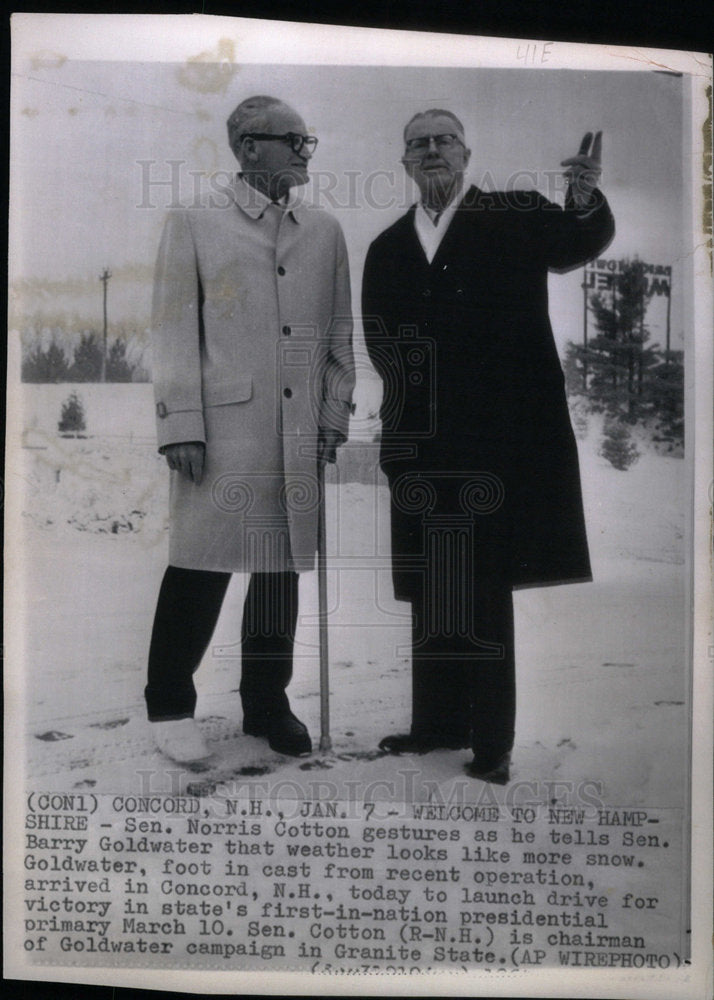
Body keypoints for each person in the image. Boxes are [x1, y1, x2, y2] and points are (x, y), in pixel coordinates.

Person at [362, 109, 614, 783]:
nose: (433, 149)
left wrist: (584, 202)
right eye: (420, 142)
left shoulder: (516, 213)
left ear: (467, 151)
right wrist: (400, 433)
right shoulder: (388, 247)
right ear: (406, 161)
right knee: (433, 588)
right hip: (423, 442)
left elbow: (573, 244)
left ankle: (492, 744)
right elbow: (383, 346)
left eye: (445, 138)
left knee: (481, 590)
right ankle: (436, 724)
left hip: (502, 445)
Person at [146, 95, 354, 763]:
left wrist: (332, 414)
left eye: (306, 141)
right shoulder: (195, 220)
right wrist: (181, 422)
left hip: (296, 434)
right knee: (200, 562)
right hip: (221, 430)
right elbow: (174, 331)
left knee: (278, 569)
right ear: (246, 148)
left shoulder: (323, 231)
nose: (303, 152)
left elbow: (337, 340)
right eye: (291, 140)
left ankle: (267, 702)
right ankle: (170, 703)